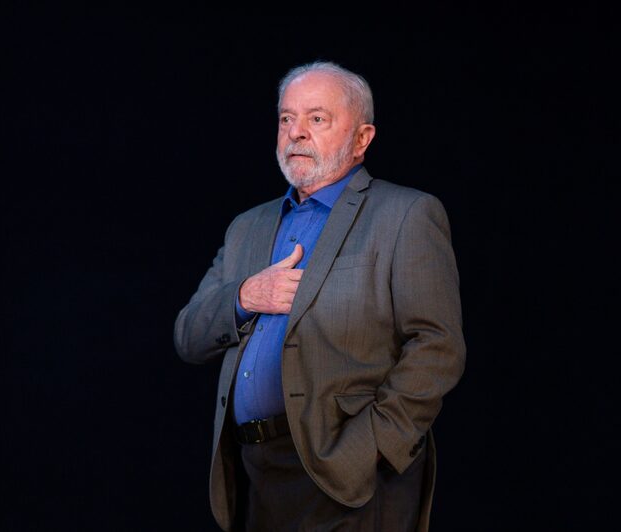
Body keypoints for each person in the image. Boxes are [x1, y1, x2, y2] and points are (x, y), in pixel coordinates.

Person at [174, 61, 465, 532]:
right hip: (253, 476)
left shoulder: (406, 215)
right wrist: (247, 295)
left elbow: (438, 348)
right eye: (287, 118)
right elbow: (188, 336)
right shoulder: (248, 226)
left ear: (362, 138)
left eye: (317, 118)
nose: (296, 133)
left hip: (348, 479)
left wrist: (367, 449)